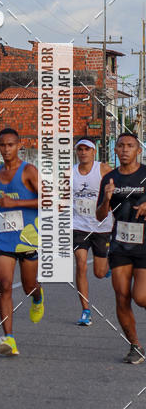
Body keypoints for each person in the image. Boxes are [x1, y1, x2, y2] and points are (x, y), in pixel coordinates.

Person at [0, 127, 44, 356]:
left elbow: (47, 201)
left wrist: (16, 203)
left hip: (27, 238)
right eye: (2, 145)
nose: (6, 149)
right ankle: (9, 338)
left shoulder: (29, 171)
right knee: (5, 285)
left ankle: (37, 296)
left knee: (28, 286)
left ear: (19, 145)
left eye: (10, 145)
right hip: (3, 238)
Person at [96, 132, 146, 364]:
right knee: (122, 296)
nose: (125, 149)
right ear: (115, 150)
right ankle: (135, 346)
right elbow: (99, 216)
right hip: (120, 244)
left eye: (130, 146)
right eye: (121, 146)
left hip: (144, 243)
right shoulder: (109, 178)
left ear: (139, 150)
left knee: (141, 297)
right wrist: (107, 199)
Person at [72, 138, 112, 325]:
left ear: (93, 152)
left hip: (101, 226)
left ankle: (107, 266)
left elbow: (117, 190)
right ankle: (85, 310)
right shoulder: (70, 172)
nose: (83, 152)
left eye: (86, 149)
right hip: (79, 226)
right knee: (81, 264)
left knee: (99, 272)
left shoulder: (103, 169)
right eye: (80, 149)